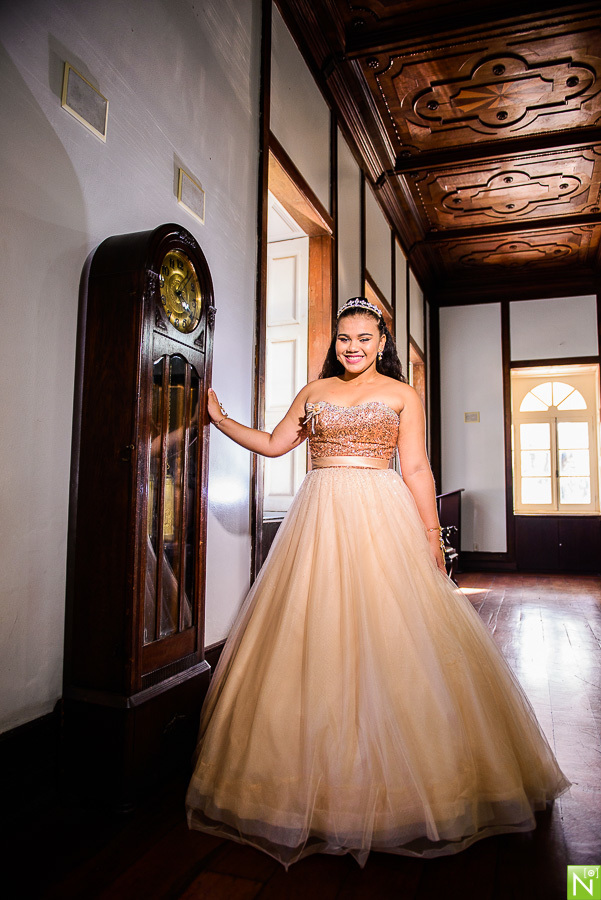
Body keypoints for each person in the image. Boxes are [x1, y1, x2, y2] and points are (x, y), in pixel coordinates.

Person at [186, 297, 569, 868]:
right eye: (345, 337)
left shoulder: (401, 395)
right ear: (334, 340)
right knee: (316, 636)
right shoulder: (315, 394)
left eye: (365, 338)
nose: (354, 347)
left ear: (381, 343)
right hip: (318, 517)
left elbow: (415, 469)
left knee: (394, 637)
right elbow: (273, 444)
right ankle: (313, 787)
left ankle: (406, 788)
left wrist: (434, 539)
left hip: (381, 517)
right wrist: (220, 421)